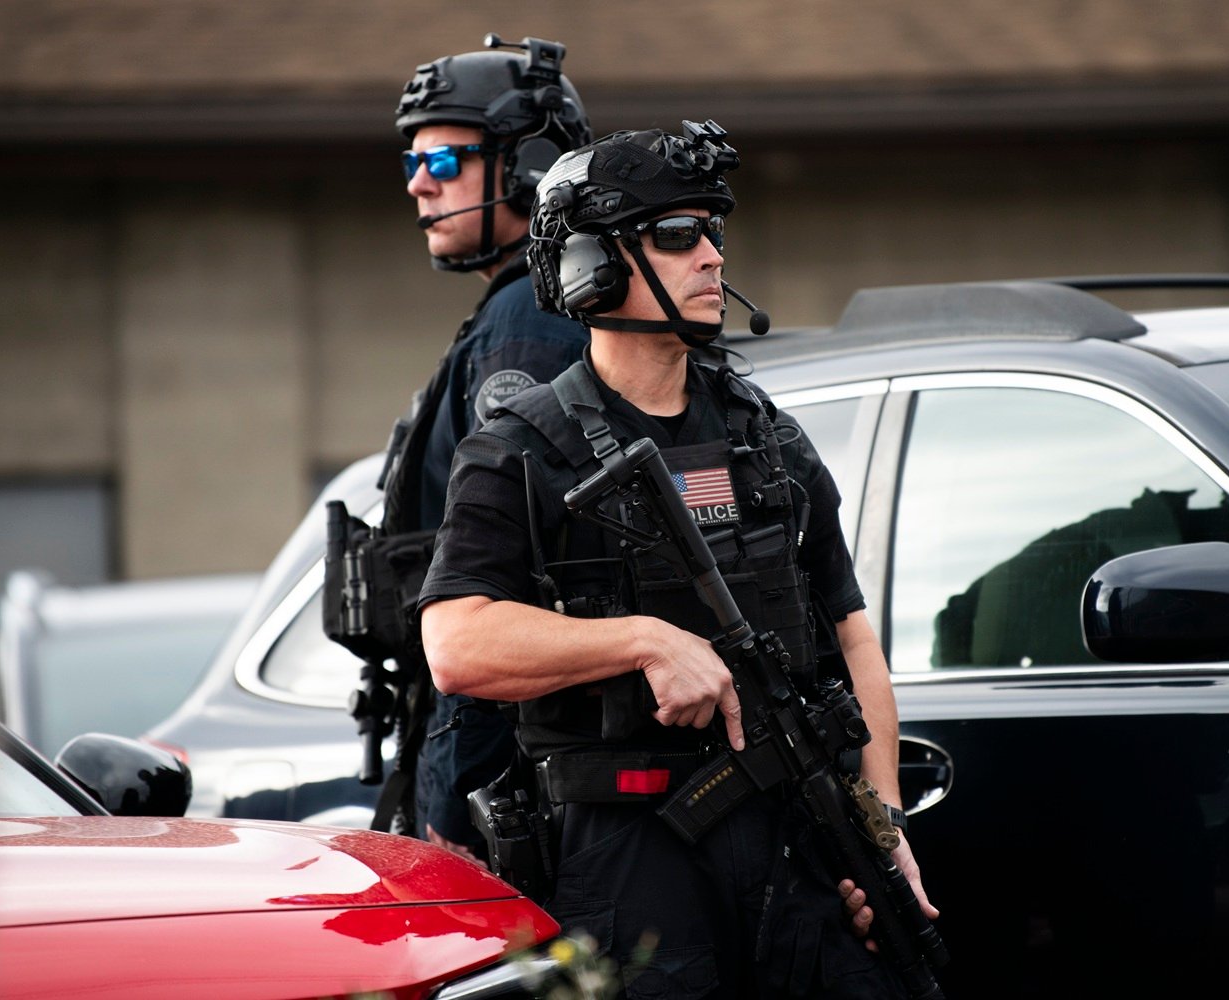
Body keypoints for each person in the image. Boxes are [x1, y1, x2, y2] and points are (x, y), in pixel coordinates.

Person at [418, 121, 937, 998]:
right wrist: (643, 642)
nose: (710, 258)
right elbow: (456, 645)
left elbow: (852, 637)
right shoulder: (518, 450)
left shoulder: (766, 436)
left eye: (713, 234)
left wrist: (882, 829)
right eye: (675, 235)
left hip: (795, 847)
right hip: (630, 861)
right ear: (594, 264)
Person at [380, 34, 593, 860]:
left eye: (441, 163)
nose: (417, 187)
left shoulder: (526, 326)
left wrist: (452, 793)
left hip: (494, 737)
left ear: (527, 166)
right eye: (410, 165)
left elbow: (505, 576)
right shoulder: (522, 313)